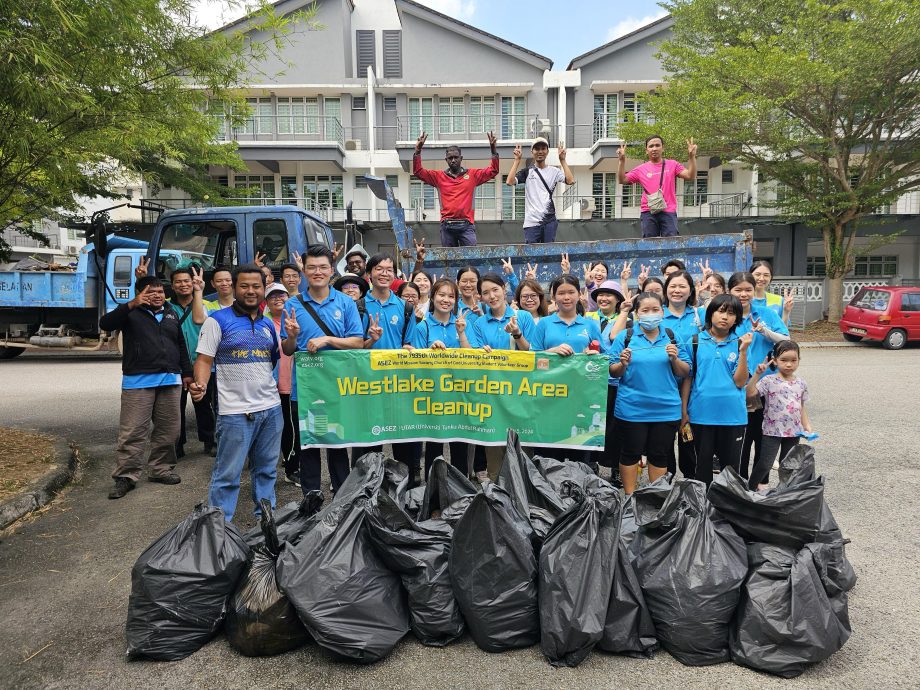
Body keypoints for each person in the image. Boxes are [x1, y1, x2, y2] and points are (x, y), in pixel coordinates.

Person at [280, 246, 364, 496]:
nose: (318, 272)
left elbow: (357, 342)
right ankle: (311, 499)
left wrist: (327, 340)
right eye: (312, 267)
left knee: (338, 444)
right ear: (304, 271)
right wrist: (293, 337)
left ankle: (342, 499)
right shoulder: (292, 305)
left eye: (323, 267)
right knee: (309, 446)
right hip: (304, 389)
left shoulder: (346, 303)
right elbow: (287, 349)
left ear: (331, 270)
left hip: (337, 386)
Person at [101, 276, 193, 499]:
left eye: (161, 292)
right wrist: (132, 304)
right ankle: (126, 476)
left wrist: (187, 373)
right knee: (133, 432)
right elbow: (106, 323)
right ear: (140, 293)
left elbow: (180, 343)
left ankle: (161, 469)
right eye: (152, 292)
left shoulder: (171, 312)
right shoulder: (130, 312)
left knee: (169, 430)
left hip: (170, 380)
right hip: (138, 382)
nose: (158, 295)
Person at [607, 291, 691, 494]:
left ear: (662, 312)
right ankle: (629, 496)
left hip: (666, 408)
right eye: (645, 310)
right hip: (632, 407)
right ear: (636, 313)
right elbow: (612, 371)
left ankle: (655, 497)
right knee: (630, 453)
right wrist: (623, 363)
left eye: (655, 310)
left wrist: (674, 359)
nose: (650, 314)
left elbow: (685, 370)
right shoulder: (625, 337)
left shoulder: (671, 336)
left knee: (659, 454)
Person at [531, 274, 603, 465]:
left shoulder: (590, 325)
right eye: (561, 293)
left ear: (579, 294)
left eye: (571, 292)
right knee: (548, 458)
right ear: (553, 297)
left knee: (580, 457)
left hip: (582, 398)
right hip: (549, 399)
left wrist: (593, 355)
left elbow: (605, 358)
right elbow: (532, 359)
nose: (566, 297)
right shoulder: (544, 324)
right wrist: (551, 352)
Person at [680, 295, 752, 486]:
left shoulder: (740, 344)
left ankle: (727, 509)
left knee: (730, 471)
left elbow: (740, 382)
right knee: (701, 468)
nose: (725, 317)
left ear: (736, 319)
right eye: (721, 311)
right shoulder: (694, 341)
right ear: (710, 313)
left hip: (733, 416)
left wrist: (743, 352)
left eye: (731, 313)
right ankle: (702, 508)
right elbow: (688, 378)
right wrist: (684, 410)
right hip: (701, 415)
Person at [360, 253, 420, 478]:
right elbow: (355, 350)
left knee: (405, 446)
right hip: (368, 387)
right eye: (379, 269)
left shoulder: (405, 307)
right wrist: (372, 340)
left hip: (399, 386)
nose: (384, 273)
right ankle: (364, 495)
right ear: (369, 274)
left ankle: (408, 492)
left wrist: (408, 349)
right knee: (368, 446)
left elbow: (409, 343)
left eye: (389, 269)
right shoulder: (358, 306)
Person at [728, 271, 791, 480]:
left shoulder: (767, 314)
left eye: (748, 290)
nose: (743, 294)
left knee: (764, 438)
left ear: (755, 291)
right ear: (730, 291)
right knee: (741, 439)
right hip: (737, 387)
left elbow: (786, 341)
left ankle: (759, 483)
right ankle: (740, 481)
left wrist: (763, 330)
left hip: (767, 387)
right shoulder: (726, 315)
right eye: (738, 290)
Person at [413, 131, 499, 247]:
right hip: (447, 226)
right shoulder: (438, 177)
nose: (453, 160)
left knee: (471, 258)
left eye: (456, 157)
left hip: (467, 225)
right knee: (449, 261)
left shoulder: (472, 175)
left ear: (461, 158)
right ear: (446, 160)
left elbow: (493, 171)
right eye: (450, 158)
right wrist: (417, 152)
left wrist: (493, 151)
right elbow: (418, 172)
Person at [746, 340, 811, 491]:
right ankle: (750, 489)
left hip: (794, 431)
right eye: (784, 360)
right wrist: (756, 375)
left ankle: (785, 493)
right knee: (765, 464)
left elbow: (801, 406)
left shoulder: (801, 383)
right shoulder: (768, 380)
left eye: (793, 360)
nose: (789, 364)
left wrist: (806, 425)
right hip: (772, 430)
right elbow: (749, 394)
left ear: (799, 361)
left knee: (788, 464)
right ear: (775, 360)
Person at [167, 266, 213, 459]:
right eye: (178, 281)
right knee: (175, 406)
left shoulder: (204, 304)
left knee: (203, 403)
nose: (183, 285)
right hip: (175, 363)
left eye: (187, 281)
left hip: (199, 361)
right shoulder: (166, 305)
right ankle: (177, 445)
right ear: (172, 285)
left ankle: (209, 441)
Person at [617, 135, 698, 238]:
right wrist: (621, 161)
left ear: (663, 148)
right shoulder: (641, 169)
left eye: (657, 145)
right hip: (648, 211)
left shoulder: (672, 165)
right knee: (649, 245)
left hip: (668, 211)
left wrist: (692, 157)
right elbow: (622, 180)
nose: (654, 148)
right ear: (646, 150)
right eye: (651, 146)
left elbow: (690, 176)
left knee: (671, 242)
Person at [505, 138, 573, 243]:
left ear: (547, 151)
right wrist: (517, 160)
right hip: (531, 223)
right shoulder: (527, 172)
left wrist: (562, 160)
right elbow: (509, 181)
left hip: (549, 221)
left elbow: (570, 180)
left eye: (543, 148)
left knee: (548, 255)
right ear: (532, 151)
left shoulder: (554, 171)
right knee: (532, 257)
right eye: (537, 149)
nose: (540, 151)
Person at [264, 283, 298, 486]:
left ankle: (293, 466)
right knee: (282, 427)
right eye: (273, 296)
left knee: (295, 427)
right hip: (272, 383)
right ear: (266, 301)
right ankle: (288, 466)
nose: (278, 299)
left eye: (282, 295)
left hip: (295, 382)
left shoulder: (296, 319)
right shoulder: (263, 322)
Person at [750, 260, 795, 324]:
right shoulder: (744, 299)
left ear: (770, 277)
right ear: (750, 276)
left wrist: (786, 312)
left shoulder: (779, 300)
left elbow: (783, 330)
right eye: (757, 274)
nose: (762, 278)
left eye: (766, 275)